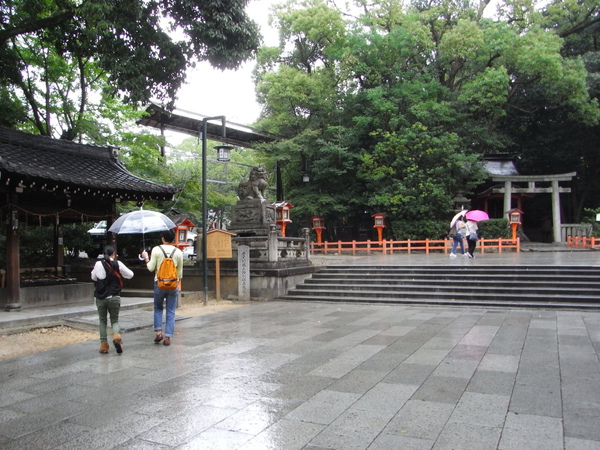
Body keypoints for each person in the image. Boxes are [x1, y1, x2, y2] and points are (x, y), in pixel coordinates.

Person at [141, 229, 183, 346]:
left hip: (159, 283)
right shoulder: (178, 252)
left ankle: (159, 332)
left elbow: (150, 268)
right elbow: (179, 273)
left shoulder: (156, 250)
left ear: (162, 239)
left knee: (158, 308)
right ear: (173, 239)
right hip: (173, 284)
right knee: (171, 311)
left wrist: (146, 257)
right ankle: (168, 336)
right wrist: (178, 284)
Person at [91, 245, 134, 354]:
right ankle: (116, 336)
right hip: (114, 297)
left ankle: (104, 345)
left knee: (102, 321)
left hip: (101, 297)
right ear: (113, 254)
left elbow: (93, 277)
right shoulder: (118, 264)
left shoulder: (98, 264)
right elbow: (130, 275)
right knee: (114, 320)